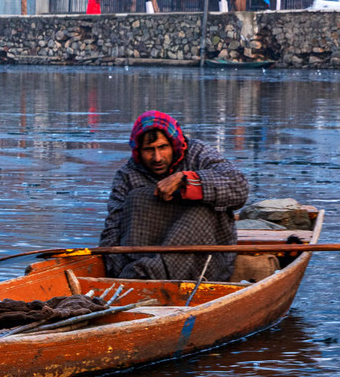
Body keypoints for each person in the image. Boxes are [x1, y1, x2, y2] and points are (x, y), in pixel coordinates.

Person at [99, 110, 249, 283]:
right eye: (149, 150)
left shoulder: (198, 154)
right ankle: (141, 277)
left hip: (203, 265)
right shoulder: (128, 175)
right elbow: (112, 229)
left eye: (163, 148)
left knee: (200, 209)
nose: (157, 157)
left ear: (174, 145)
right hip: (139, 268)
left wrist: (187, 180)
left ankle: (152, 274)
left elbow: (240, 189)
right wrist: (116, 272)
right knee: (137, 198)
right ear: (138, 151)